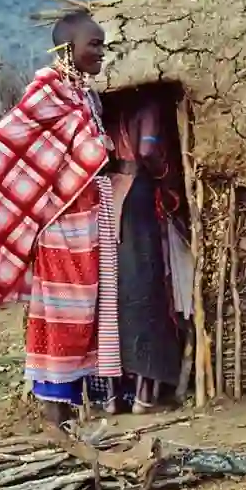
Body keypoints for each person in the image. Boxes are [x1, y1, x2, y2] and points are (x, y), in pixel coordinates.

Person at [0, 11, 120, 430]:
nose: (101, 51)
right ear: (68, 49)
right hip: (61, 228)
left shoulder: (83, 94)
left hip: (88, 221)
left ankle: (67, 413)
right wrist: (43, 201)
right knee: (60, 315)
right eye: (94, 44)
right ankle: (54, 414)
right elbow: (3, 140)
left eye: (103, 44)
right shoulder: (48, 92)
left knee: (84, 315)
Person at [89, 94, 186, 414]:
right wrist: (165, 171)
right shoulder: (148, 107)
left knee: (112, 295)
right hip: (137, 195)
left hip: (108, 191)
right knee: (146, 291)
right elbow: (146, 149)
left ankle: (112, 396)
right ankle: (145, 395)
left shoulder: (106, 109)